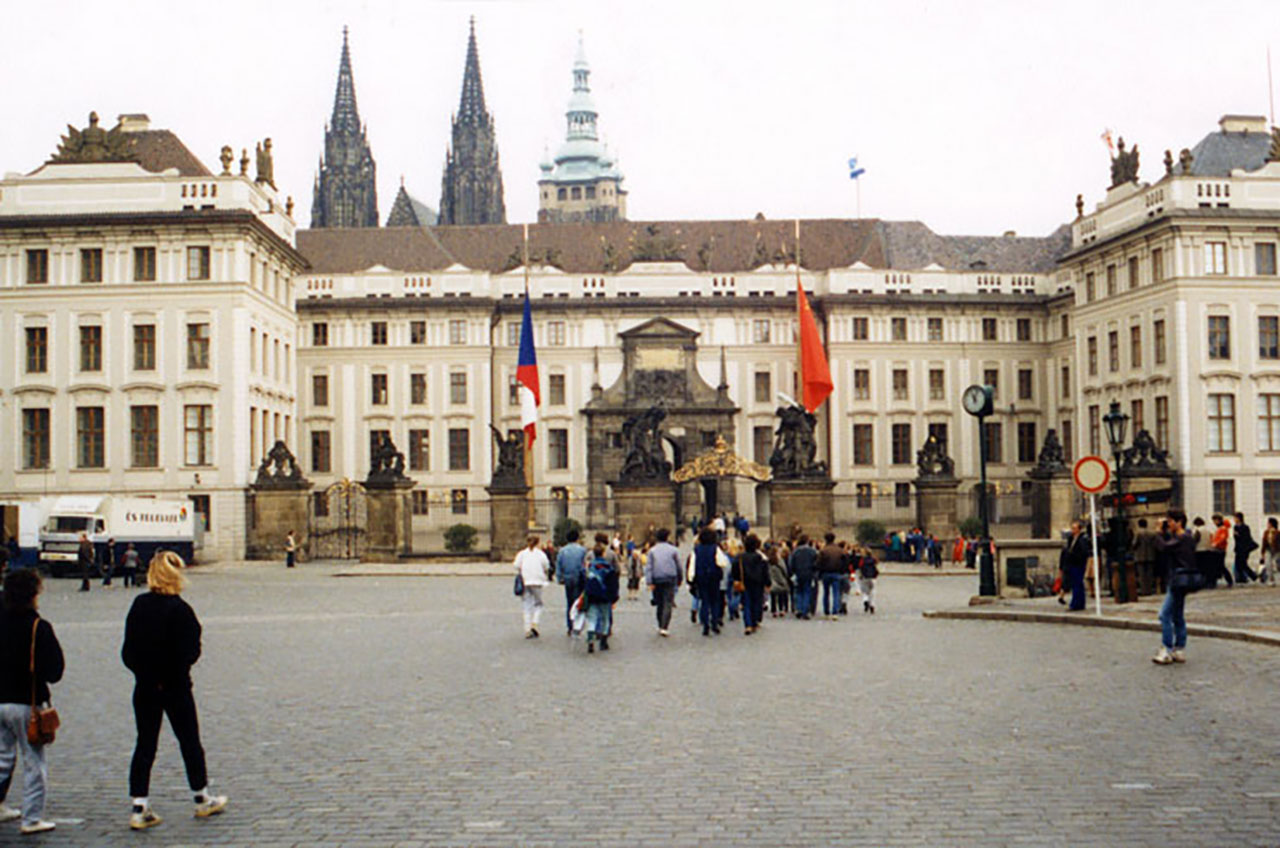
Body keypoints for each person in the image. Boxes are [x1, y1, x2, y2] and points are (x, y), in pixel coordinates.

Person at [122, 551, 226, 830]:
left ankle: (139, 805)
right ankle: (201, 798)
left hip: (144, 687)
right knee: (189, 741)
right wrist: (172, 672)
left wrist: (146, 674)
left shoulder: (139, 605)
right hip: (176, 686)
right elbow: (191, 650)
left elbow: (128, 652)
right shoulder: (180, 609)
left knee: (145, 744)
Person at [0, 569, 64, 835]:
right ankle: (32, 818)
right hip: (27, 700)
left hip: (0, 698)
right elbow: (54, 672)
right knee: (34, 762)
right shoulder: (39, 627)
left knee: (2, 757)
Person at [1152, 509, 1197, 664]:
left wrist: (1158, 533)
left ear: (1179, 522)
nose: (1168, 524)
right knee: (1177, 615)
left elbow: (1164, 547)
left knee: (1164, 614)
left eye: (1170, 521)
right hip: (1184, 578)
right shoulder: (1188, 537)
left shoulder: (1181, 538)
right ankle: (1179, 648)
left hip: (1177, 579)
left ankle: (1166, 648)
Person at [644, 528, 681, 636]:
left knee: (660, 603)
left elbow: (649, 567)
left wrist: (649, 581)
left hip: (657, 578)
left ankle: (660, 623)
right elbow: (678, 566)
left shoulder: (652, 551)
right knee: (668, 602)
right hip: (670, 578)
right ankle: (664, 626)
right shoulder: (673, 550)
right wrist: (680, 578)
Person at [583, 545, 619, 653]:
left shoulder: (589, 567)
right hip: (605, 596)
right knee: (605, 618)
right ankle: (603, 641)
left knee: (592, 618)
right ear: (603, 553)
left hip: (592, 595)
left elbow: (584, 581)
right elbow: (613, 585)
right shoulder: (608, 567)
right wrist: (614, 598)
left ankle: (590, 638)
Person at [514, 536, 550, 639]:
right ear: (538, 543)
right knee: (538, 604)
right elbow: (546, 566)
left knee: (527, 606)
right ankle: (535, 622)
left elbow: (516, 565)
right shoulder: (541, 554)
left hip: (525, 581)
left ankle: (527, 629)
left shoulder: (522, 554)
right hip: (537, 582)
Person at [692, 528, 724, 636]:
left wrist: (691, 579)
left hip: (701, 577)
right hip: (714, 577)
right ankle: (714, 624)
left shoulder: (696, 549)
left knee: (704, 601)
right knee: (715, 601)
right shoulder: (715, 548)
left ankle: (705, 625)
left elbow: (692, 565)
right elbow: (722, 562)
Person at [555, 530, 588, 636]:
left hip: (568, 578)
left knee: (569, 602)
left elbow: (559, 565)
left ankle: (570, 625)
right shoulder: (582, 550)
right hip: (579, 578)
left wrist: (559, 577)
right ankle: (577, 625)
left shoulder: (562, 551)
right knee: (578, 603)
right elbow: (584, 566)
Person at [735, 533, 769, 634]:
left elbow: (735, 569)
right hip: (758, 583)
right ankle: (754, 622)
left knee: (747, 604)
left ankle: (748, 624)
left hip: (745, 582)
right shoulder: (760, 557)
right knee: (757, 603)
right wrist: (767, 582)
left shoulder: (740, 557)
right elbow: (765, 571)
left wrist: (737, 579)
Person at [1063, 520, 1090, 611]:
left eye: (1074, 528)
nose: (1072, 530)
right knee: (1076, 583)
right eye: (1072, 528)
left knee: (1077, 584)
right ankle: (1078, 603)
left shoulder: (1082, 539)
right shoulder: (1071, 538)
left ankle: (1076, 603)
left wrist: (1074, 556)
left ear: (1079, 529)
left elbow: (1083, 552)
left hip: (1078, 564)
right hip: (1072, 564)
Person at [789, 536, 818, 620]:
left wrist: (793, 572)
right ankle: (805, 610)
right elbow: (816, 563)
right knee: (807, 592)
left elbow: (791, 563)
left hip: (798, 573)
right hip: (808, 573)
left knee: (798, 592)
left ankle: (799, 609)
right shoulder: (812, 551)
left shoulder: (795, 552)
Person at [817, 532, 845, 620]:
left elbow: (819, 563)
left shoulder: (824, 550)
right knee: (836, 593)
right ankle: (835, 612)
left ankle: (826, 611)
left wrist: (820, 572)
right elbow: (845, 561)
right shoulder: (839, 550)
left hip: (826, 573)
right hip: (836, 572)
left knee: (826, 593)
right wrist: (841, 570)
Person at [1130, 519, 1157, 596]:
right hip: (1151, 555)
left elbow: (1134, 544)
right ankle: (1149, 590)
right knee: (1150, 574)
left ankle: (1144, 590)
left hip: (1140, 556)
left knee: (1142, 575)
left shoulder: (1138, 533)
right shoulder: (1152, 533)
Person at [1232, 512, 1259, 584]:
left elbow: (1247, 537)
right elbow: (1236, 538)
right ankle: (1242, 578)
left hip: (1245, 549)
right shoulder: (1235, 527)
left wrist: (1239, 535)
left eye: (1235, 518)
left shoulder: (1245, 527)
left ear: (1239, 518)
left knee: (1243, 564)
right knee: (1238, 564)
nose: (1234, 519)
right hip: (1238, 548)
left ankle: (1253, 576)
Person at [767, 543, 790, 617]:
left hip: (772, 579)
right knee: (781, 594)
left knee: (773, 595)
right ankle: (781, 609)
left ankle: (774, 610)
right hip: (780, 578)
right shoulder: (780, 560)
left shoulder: (769, 561)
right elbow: (784, 569)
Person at [855, 547, 880, 613]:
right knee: (872, 591)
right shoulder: (874, 559)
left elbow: (860, 567)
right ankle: (872, 604)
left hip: (865, 576)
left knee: (865, 591)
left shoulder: (862, 560)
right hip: (873, 577)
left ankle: (865, 600)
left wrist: (860, 575)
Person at [1261, 516, 1280, 586]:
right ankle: (1271, 580)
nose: (1267, 525)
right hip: (1268, 550)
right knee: (1268, 564)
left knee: (1277, 565)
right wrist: (1262, 553)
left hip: (1277, 551)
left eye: (1268, 523)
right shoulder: (1266, 532)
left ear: (1272, 524)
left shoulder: (1277, 533)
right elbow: (1264, 543)